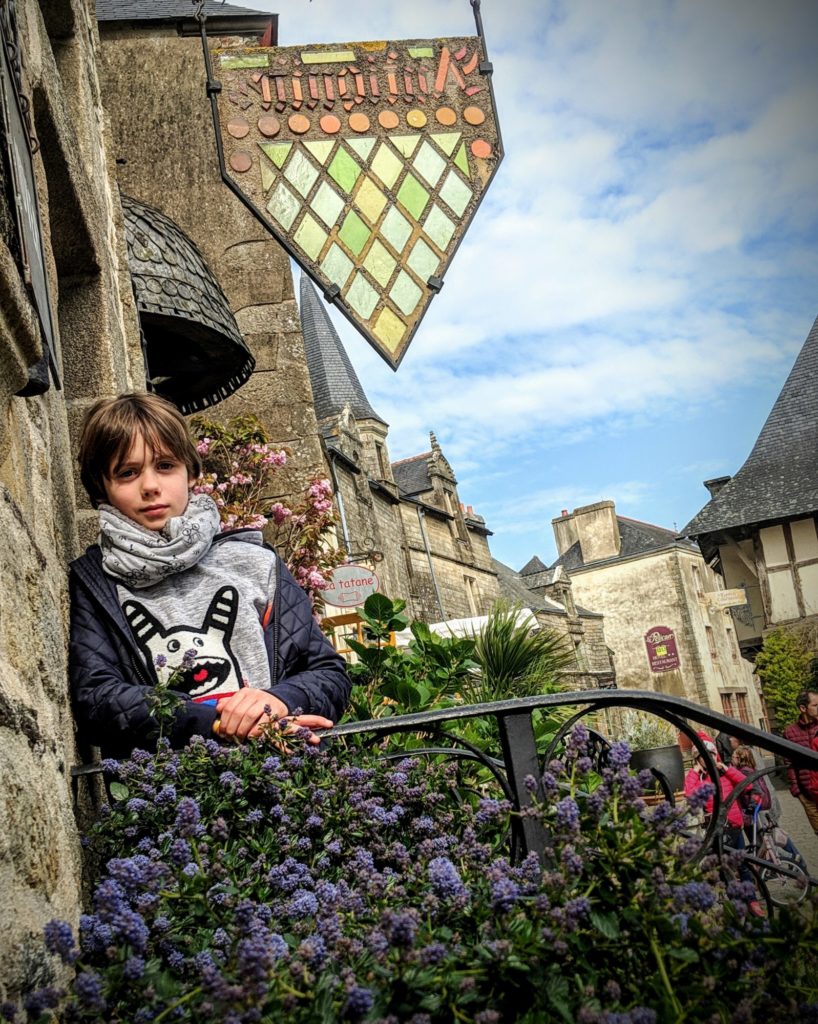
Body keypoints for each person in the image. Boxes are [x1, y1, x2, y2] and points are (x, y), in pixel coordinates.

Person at [69, 392, 351, 759]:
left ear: (191, 472)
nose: (150, 485)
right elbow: (98, 699)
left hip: (286, 781)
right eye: (127, 472)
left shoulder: (255, 562)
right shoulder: (98, 583)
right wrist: (211, 721)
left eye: (166, 465)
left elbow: (328, 672)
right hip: (168, 799)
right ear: (101, 488)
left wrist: (278, 702)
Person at [684, 733, 765, 917]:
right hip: (716, 831)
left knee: (743, 865)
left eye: (711, 755)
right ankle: (735, 903)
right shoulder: (701, 779)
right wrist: (695, 772)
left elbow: (745, 785)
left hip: (734, 827)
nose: (709, 759)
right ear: (698, 760)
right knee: (723, 868)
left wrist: (726, 769)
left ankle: (752, 900)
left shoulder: (725, 774)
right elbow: (690, 795)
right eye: (703, 757)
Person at [782, 689, 818, 837]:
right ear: (803, 708)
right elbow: (788, 763)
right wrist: (797, 792)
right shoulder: (790, 732)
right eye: (816, 705)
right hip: (807, 793)